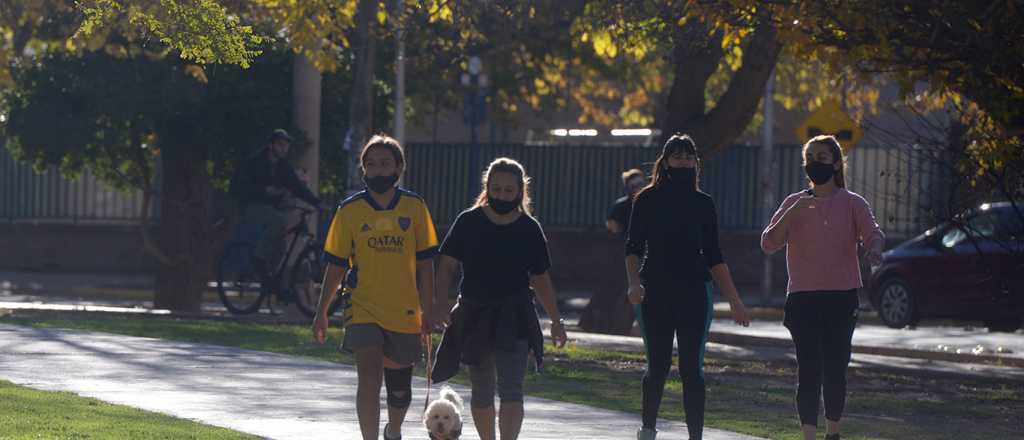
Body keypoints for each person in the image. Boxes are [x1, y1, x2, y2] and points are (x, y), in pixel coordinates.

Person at [431, 157, 568, 440]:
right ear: (487, 187)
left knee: (512, 389)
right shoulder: (468, 221)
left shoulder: (529, 228)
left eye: (509, 190)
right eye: (497, 189)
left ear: (520, 191)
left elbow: (540, 277)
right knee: (481, 389)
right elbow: (446, 265)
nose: (502, 195)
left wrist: (556, 319)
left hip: (515, 316)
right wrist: (441, 303)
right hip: (475, 312)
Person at [311, 134, 439, 440]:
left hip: (404, 309)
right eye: (371, 165)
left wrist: (429, 308)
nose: (378, 170)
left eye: (385, 164)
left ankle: (393, 430)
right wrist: (322, 312)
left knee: (399, 389)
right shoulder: (350, 210)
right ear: (363, 171)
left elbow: (426, 264)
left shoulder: (415, 207)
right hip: (363, 305)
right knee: (368, 376)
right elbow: (336, 264)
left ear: (398, 167)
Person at [625, 134, 751, 440]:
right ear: (665, 161)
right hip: (655, 291)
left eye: (688, 157)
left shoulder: (702, 203)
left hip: (695, 292)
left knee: (691, 369)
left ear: (696, 162)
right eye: (677, 157)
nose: (683, 162)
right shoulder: (646, 199)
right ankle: (648, 429)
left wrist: (734, 299)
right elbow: (633, 247)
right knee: (657, 365)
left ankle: (696, 434)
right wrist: (633, 283)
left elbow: (714, 255)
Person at [761, 135, 884, 440]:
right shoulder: (794, 202)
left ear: (836, 163)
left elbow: (873, 233)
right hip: (803, 298)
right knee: (809, 369)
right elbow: (768, 243)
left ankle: (834, 432)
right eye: (811, 157)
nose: (817, 163)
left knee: (835, 368)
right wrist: (794, 210)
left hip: (841, 297)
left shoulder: (853, 203)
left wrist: (874, 249)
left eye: (823, 157)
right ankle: (808, 436)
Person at [229, 128, 327, 275]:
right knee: (279, 222)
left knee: (281, 247)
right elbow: (238, 186)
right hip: (249, 206)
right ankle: (258, 258)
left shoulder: (283, 167)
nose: (284, 149)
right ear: (271, 145)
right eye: (280, 145)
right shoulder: (255, 162)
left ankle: (270, 280)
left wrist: (317, 203)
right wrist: (263, 190)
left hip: (270, 207)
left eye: (286, 146)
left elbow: (297, 187)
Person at [606, 168, 647, 237]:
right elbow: (612, 225)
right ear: (628, 187)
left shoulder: (652, 203)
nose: (639, 188)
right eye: (634, 186)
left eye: (641, 184)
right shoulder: (620, 205)